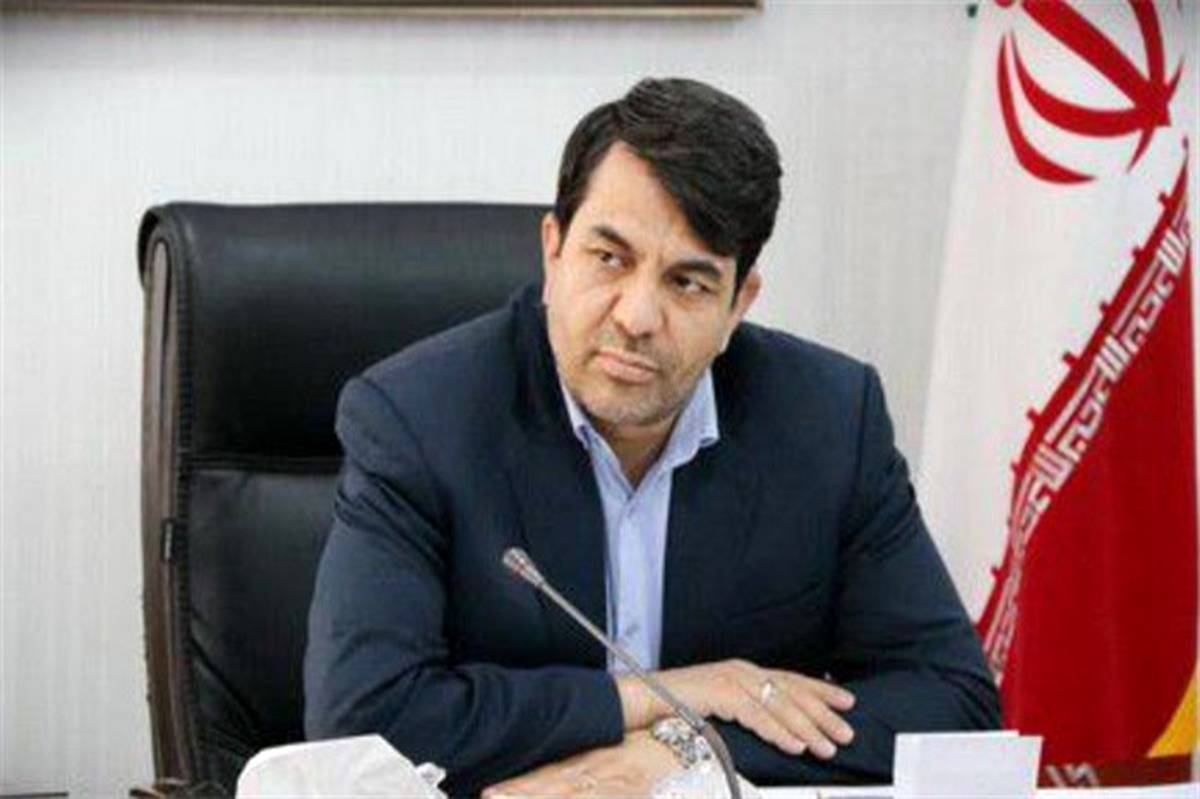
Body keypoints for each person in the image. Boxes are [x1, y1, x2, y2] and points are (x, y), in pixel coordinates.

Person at [303, 77, 1000, 798]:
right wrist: (669, 695)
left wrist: (685, 747)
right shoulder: (418, 419)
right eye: (610, 258)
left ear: (739, 304)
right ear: (553, 252)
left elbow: (953, 707)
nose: (637, 317)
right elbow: (360, 723)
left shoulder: (828, 420)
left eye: (688, 283)